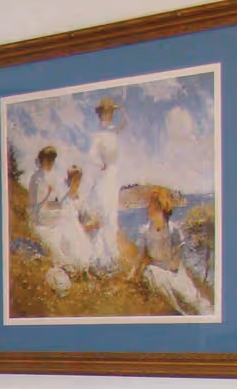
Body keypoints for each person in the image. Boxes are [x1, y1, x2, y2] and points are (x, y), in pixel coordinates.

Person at [128, 188, 212, 315]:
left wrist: (166, 270)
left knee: (192, 300)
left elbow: (176, 260)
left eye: (150, 205)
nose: (147, 209)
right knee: (150, 272)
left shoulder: (173, 230)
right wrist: (133, 274)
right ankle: (179, 310)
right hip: (156, 273)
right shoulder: (145, 231)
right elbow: (140, 257)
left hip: (175, 273)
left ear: (159, 208)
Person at [87, 97, 124, 269]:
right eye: (105, 113)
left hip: (113, 177)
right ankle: (102, 259)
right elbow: (92, 155)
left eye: (110, 112)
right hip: (104, 177)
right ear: (100, 115)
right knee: (105, 216)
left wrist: (121, 109)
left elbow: (125, 122)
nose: (107, 115)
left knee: (112, 216)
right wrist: (99, 163)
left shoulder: (113, 131)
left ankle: (110, 259)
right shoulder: (99, 134)